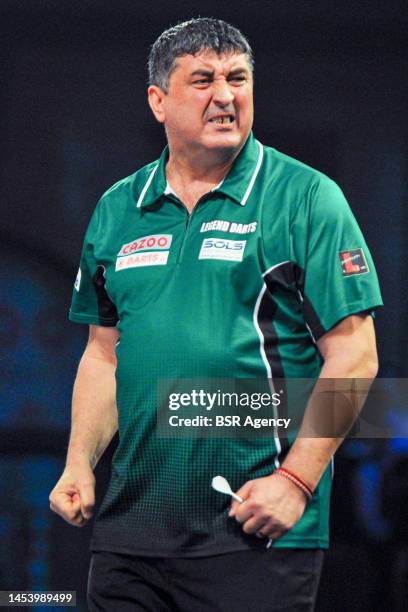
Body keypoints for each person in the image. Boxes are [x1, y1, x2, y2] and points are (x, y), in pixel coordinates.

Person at [49, 17, 383, 611]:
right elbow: (104, 353)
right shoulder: (116, 208)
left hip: (255, 528)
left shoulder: (306, 197)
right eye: (202, 80)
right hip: (131, 533)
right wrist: (78, 462)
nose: (226, 96)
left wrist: (296, 482)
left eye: (238, 78)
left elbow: (356, 354)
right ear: (158, 100)